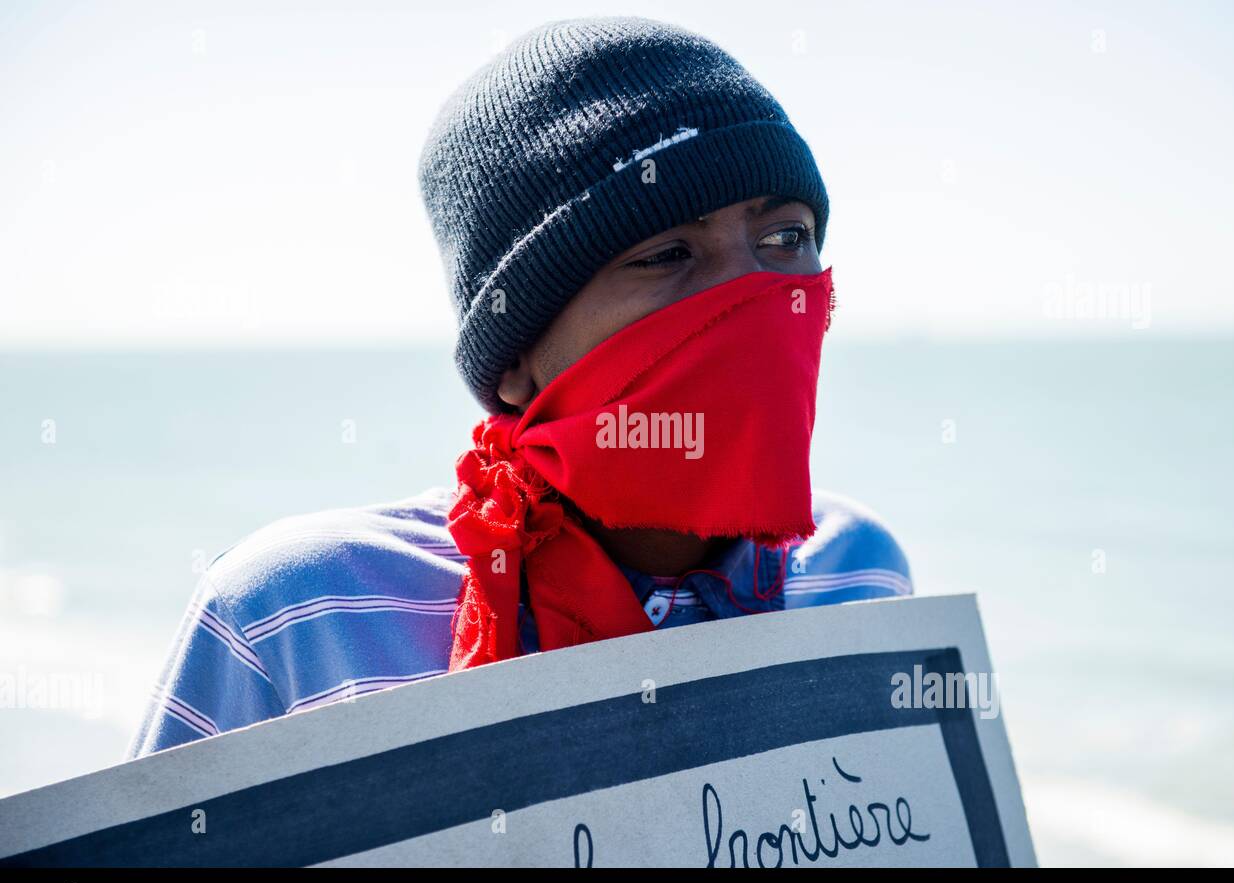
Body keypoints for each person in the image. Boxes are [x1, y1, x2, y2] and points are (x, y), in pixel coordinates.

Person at [126, 16, 912, 759]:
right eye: (666, 252)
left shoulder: (860, 572)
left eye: (786, 237)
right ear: (515, 357)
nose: (753, 294)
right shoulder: (296, 617)